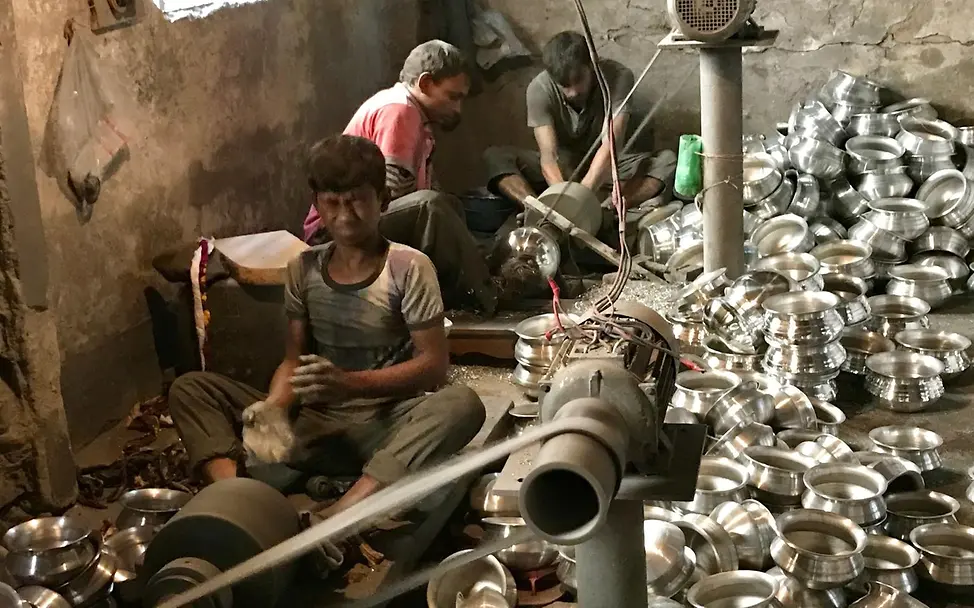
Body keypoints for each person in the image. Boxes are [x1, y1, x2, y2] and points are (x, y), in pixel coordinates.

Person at [170, 134, 486, 517]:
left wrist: (350, 383)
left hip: (383, 426)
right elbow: (293, 362)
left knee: (462, 405)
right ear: (316, 203)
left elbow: (434, 365)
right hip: (316, 424)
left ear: (382, 201)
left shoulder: (408, 267)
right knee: (191, 389)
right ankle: (239, 502)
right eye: (332, 204)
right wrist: (274, 408)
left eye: (357, 201)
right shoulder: (303, 269)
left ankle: (342, 512)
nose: (344, 216)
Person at [302, 40, 502, 314]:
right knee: (432, 207)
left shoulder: (414, 114)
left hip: (363, 219)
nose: (458, 109)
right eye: (453, 97)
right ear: (425, 83)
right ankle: (486, 296)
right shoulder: (400, 111)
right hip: (336, 229)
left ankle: (467, 287)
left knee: (447, 205)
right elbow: (393, 195)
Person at [483, 31, 677, 210]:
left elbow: (612, 144)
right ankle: (537, 208)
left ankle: (613, 208)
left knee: (667, 161)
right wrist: (561, 202)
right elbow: (549, 156)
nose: (573, 91)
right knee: (495, 157)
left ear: (592, 63)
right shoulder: (539, 88)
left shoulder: (619, 76)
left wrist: (580, 196)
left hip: (612, 164)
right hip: (567, 164)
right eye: (565, 86)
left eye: (579, 79)